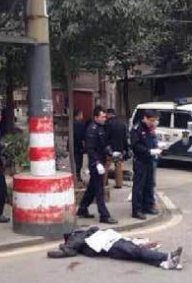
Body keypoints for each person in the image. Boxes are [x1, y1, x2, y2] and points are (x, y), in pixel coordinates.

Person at [47, 226, 183, 270]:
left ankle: (164, 263)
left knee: (136, 253)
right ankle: (167, 257)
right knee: (136, 251)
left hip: (112, 241)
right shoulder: (75, 238)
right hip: (109, 246)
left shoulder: (83, 234)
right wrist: (57, 251)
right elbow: (68, 251)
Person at [77, 106, 118, 224]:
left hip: (100, 161)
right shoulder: (92, 130)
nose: (105, 118)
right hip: (96, 163)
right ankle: (104, 215)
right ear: (96, 117)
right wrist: (97, 163)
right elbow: (90, 149)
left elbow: (103, 145)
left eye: (105, 116)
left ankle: (82, 209)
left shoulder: (101, 127)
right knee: (99, 190)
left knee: (92, 189)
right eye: (102, 116)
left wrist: (111, 152)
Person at [131, 110, 162, 220]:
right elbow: (135, 145)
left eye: (154, 121)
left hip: (149, 160)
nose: (152, 123)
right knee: (139, 186)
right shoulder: (137, 128)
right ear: (145, 118)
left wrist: (157, 148)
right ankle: (137, 210)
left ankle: (147, 206)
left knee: (149, 185)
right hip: (140, 160)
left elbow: (151, 140)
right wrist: (148, 151)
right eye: (151, 120)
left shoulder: (149, 128)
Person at [104, 109, 128, 189]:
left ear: (109, 114)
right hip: (119, 149)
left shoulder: (107, 124)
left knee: (106, 166)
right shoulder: (122, 124)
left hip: (110, 149)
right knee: (118, 167)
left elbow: (106, 137)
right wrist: (125, 149)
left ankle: (104, 183)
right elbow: (125, 138)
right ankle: (119, 184)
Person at [72, 109, 86, 183]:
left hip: (73, 145)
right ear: (78, 115)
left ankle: (76, 175)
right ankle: (77, 176)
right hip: (79, 145)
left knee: (75, 160)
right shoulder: (80, 124)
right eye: (81, 114)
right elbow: (82, 136)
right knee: (79, 162)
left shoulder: (72, 123)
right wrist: (84, 145)